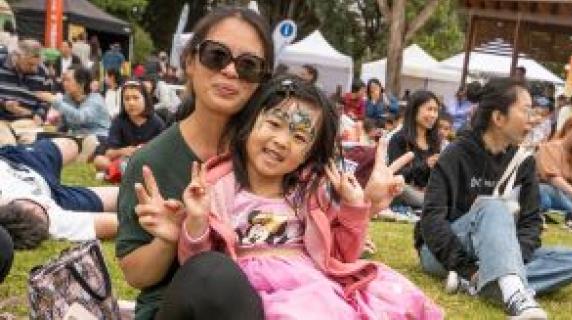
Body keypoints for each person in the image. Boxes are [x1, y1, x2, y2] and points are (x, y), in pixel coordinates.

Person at [117, 7, 410, 320]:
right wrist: (170, 237)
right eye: (216, 56)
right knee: (212, 272)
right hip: (184, 306)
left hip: (298, 298)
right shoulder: (156, 161)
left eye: (248, 65)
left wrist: (366, 205)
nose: (230, 71)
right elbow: (137, 276)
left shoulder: (287, 169)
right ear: (190, 61)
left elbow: (330, 243)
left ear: (263, 81)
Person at [174, 74, 442, 319]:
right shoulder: (219, 186)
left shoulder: (309, 191)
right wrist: (196, 222)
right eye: (275, 123)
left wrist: (354, 207)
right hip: (245, 292)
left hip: (310, 284)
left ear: (309, 155)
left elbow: (343, 254)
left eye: (300, 136)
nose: (281, 140)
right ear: (250, 123)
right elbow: (197, 268)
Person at [418, 77, 572, 320]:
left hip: (497, 250)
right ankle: (516, 297)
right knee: (493, 206)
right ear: (498, 118)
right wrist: (468, 268)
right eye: (526, 110)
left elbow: (531, 223)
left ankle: (483, 284)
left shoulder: (524, 161)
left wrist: (509, 256)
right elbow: (432, 221)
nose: (533, 118)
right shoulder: (456, 154)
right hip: (444, 252)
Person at [0, 137, 118, 247]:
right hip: (58, 197)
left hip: (21, 163)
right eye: (46, 214)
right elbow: (117, 224)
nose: (47, 207)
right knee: (123, 196)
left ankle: (79, 144)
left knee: (71, 145)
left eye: (41, 208)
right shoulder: (53, 221)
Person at [93, 80, 165, 175]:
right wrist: (124, 151)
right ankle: (124, 172)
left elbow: (164, 152)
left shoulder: (157, 123)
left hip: (148, 162)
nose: (131, 103)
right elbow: (109, 153)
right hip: (123, 160)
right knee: (99, 160)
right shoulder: (118, 121)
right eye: (127, 99)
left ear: (145, 100)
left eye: (136, 98)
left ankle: (124, 173)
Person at [388, 90, 441, 209]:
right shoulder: (399, 139)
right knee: (401, 187)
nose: (433, 115)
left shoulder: (435, 141)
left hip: (427, 192)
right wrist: (426, 165)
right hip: (405, 190)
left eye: (436, 110)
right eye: (429, 109)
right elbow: (395, 175)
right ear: (415, 109)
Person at [36, 65, 111, 139]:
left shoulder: (95, 99)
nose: (64, 84)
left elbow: (80, 117)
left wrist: (55, 101)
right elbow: (63, 127)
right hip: (77, 139)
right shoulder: (67, 98)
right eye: (64, 80)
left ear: (81, 83)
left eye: (68, 80)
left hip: (98, 139)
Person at [0, 39, 50, 145]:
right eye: (30, 64)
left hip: (27, 122)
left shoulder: (42, 71)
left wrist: (40, 115)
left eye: (37, 64)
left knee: (31, 145)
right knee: (7, 144)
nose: (34, 69)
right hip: (2, 120)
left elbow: (46, 100)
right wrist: (4, 104)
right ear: (17, 57)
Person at [536, 115, 572, 215]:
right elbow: (552, 178)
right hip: (545, 188)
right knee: (546, 193)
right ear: (568, 129)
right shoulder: (549, 147)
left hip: (563, 194)